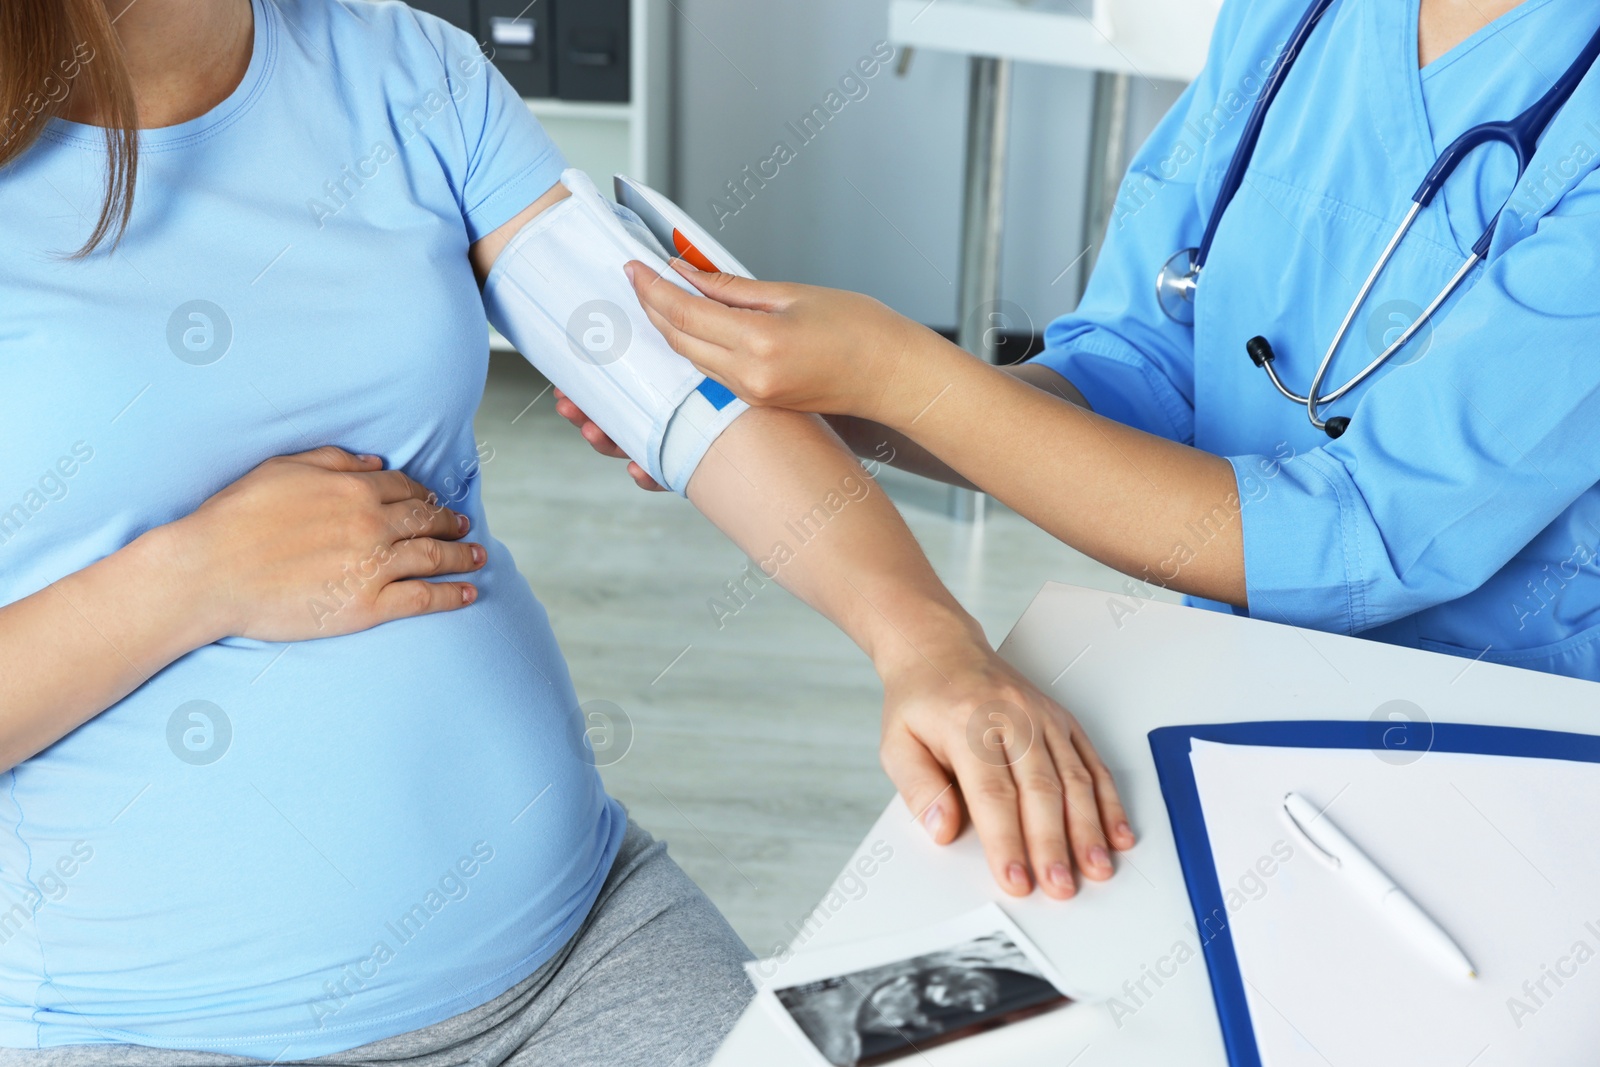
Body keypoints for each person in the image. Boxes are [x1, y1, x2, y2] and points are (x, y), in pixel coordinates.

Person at [0, 0, 1133, 1063]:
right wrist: (194, 578)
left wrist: (921, 637)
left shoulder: (403, 70)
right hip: (155, 1021)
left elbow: (682, 385)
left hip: (585, 943)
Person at [578, 0, 1600, 682]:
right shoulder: (1297, 17)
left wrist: (896, 370)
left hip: (1505, 734)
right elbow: (1131, 373)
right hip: (1240, 683)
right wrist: (829, 398)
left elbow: (1361, 537)